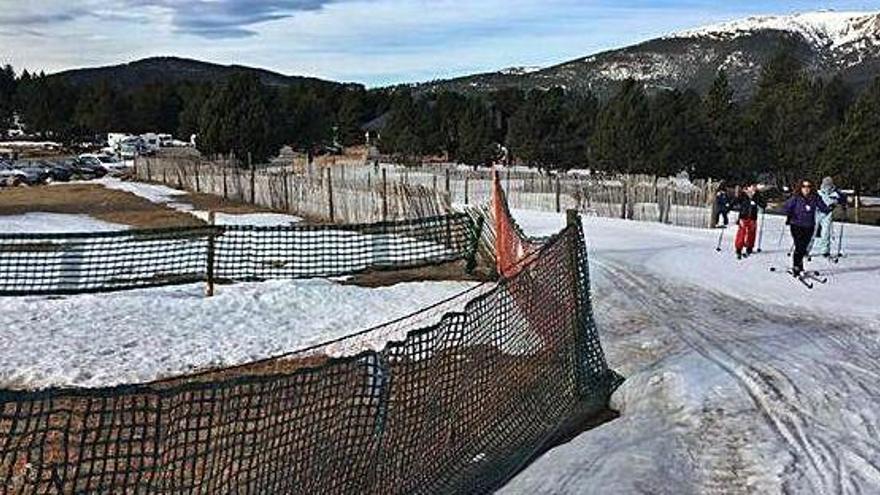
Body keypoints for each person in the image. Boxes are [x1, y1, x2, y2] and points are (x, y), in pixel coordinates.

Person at [782, 180, 832, 275]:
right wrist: (790, 213)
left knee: (804, 247)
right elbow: (785, 207)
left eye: (808, 186)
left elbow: (823, 207)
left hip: (809, 226)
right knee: (799, 246)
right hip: (796, 225)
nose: (806, 188)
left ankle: (800, 266)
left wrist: (830, 208)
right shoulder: (796, 198)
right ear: (800, 188)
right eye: (804, 186)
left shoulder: (815, 197)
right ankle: (796, 266)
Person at [813, 176, 847, 257]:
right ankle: (805, 250)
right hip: (816, 213)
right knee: (812, 232)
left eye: (829, 184)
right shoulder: (818, 193)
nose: (827, 186)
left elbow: (843, 199)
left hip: (827, 215)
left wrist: (843, 205)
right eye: (825, 184)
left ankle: (825, 251)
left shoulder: (835, 193)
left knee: (826, 233)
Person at [732, 183, 766, 259]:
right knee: (741, 232)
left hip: (753, 217)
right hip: (743, 216)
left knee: (752, 232)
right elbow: (736, 201)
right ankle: (738, 248)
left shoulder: (757, 195)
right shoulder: (743, 194)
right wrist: (729, 205)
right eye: (752, 186)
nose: (754, 188)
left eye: (755, 186)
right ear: (748, 187)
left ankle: (749, 247)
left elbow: (763, 204)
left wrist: (758, 201)